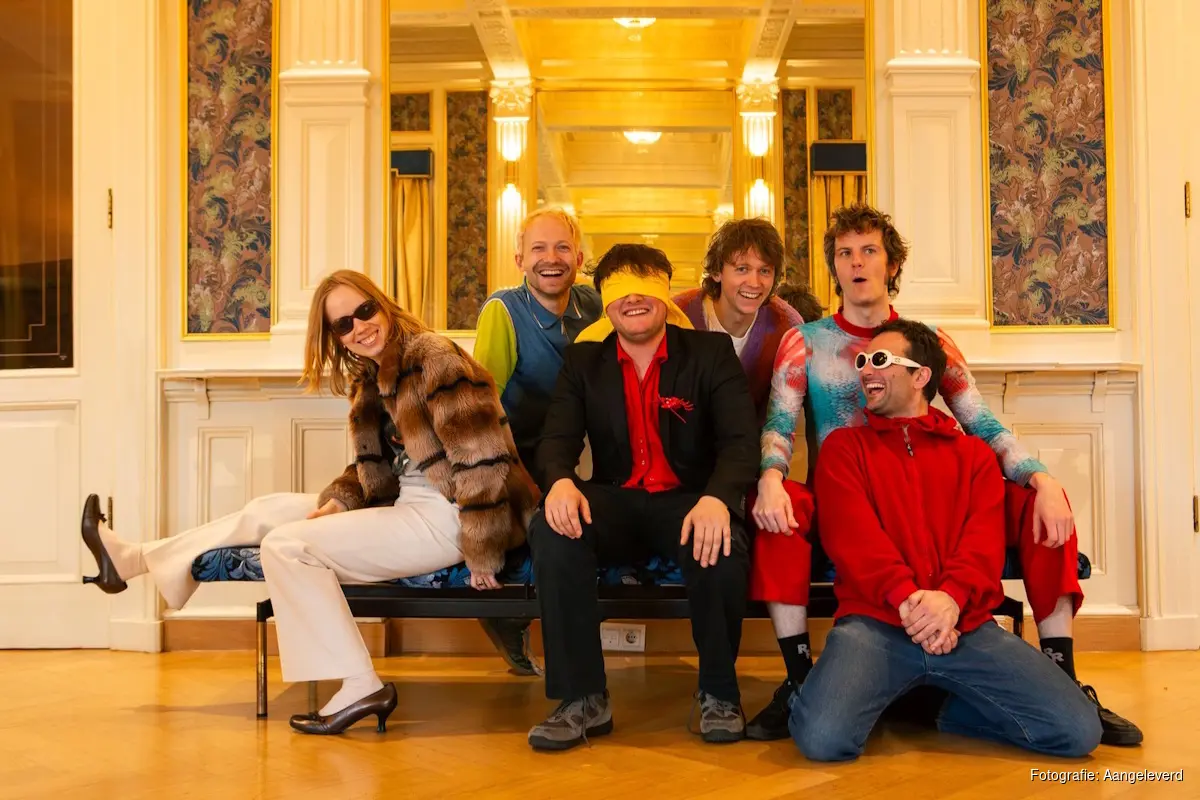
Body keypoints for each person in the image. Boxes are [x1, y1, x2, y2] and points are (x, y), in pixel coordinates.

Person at [80, 269, 539, 735]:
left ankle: (360, 684)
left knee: (286, 546)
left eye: (364, 311)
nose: (359, 327)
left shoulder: (432, 358)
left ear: (382, 304)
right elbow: (375, 468)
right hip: (410, 503)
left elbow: (482, 458)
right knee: (265, 510)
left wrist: (483, 548)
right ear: (335, 336)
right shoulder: (372, 378)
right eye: (344, 324)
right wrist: (341, 501)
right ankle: (131, 561)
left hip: (451, 515)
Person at [754, 203, 1142, 746]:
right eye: (844, 253)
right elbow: (779, 424)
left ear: (891, 265)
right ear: (835, 267)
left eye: (869, 250)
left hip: (925, 489)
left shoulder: (929, 341)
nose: (856, 262)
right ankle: (800, 682)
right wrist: (771, 477)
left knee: (1040, 502)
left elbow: (978, 421)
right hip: (846, 495)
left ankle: (1063, 677)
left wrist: (1040, 478)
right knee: (780, 508)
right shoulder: (807, 340)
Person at [790, 319, 1103, 761]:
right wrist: (910, 602)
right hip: (875, 625)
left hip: (966, 626)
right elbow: (854, 540)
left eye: (879, 360)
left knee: (1078, 731)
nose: (865, 370)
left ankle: (925, 707)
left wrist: (951, 601)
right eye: (861, 361)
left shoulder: (974, 456)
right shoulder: (844, 449)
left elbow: (983, 545)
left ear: (921, 376)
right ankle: (890, 694)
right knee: (823, 739)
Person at [526, 244, 759, 751]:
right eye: (620, 290)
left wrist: (719, 498)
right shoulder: (583, 361)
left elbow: (741, 442)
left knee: (723, 546)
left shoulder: (710, 353)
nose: (633, 299)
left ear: (665, 293)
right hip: (615, 500)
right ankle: (582, 697)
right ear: (605, 303)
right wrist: (560, 481)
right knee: (552, 529)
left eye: (645, 285)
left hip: (690, 501)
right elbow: (556, 441)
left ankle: (719, 693)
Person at [672, 218, 822, 740]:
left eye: (764, 270)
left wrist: (763, 476)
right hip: (683, 462)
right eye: (741, 268)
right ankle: (717, 687)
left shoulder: (785, 323)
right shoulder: (681, 312)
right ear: (717, 271)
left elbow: (785, 409)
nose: (753, 281)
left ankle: (772, 681)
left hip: (750, 461)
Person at [472, 207, 602, 675]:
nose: (552, 258)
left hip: (572, 451)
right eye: (539, 248)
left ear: (579, 258)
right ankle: (509, 619)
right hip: (515, 456)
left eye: (563, 247)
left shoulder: (593, 305)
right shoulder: (503, 311)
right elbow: (482, 407)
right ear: (520, 260)